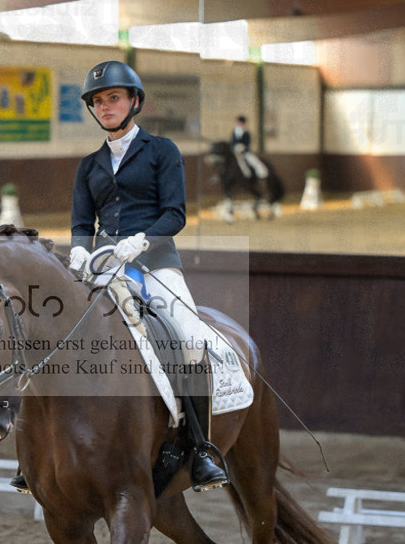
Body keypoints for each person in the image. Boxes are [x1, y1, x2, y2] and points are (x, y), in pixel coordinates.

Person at [68, 59, 226, 490]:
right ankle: (41, 451)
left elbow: (175, 214)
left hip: (154, 263)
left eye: (113, 98)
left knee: (190, 338)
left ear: (134, 101)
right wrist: (80, 252)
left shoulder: (162, 151)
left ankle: (201, 450)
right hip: (103, 264)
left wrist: (141, 240)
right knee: (55, 331)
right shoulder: (89, 165)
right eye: (98, 101)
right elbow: (83, 222)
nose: (105, 107)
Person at [231, 115, 269, 180]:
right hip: (235, 152)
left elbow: (247, 144)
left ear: (242, 123)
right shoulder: (234, 132)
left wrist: (242, 148)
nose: (238, 124)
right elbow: (232, 142)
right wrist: (234, 148)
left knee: (254, 161)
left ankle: (261, 174)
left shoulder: (246, 133)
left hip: (245, 152)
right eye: (237, 122)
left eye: (239, 122)